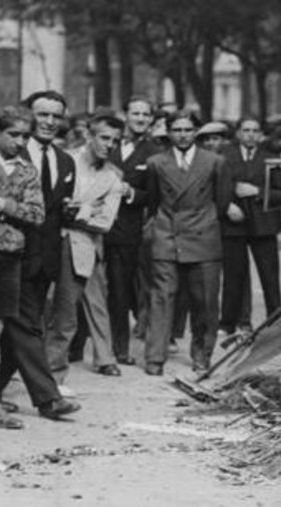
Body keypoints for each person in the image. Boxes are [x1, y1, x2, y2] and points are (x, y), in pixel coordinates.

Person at [0, 90, 81, 416]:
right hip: (9, 253)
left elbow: (55, 213)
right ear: (28, 115)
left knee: (12, 330)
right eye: (43, 114)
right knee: (27, 324)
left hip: (44, 259)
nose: (49, 122)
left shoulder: (65, 160)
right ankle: (48, 398)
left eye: (56, 116)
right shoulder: (10, 153)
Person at [143, 110, 231, 376]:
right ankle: (155, 357)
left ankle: (202, 354)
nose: (182, 135)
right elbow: (153, 201)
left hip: (203, 237)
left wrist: (204, 222)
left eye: (188, 130)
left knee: (204, 301)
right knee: (161, 298)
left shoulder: (215, 162)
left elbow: (223, 202)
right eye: (177, 130)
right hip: (166, 235)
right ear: (168, 133)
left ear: (197, 132)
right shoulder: (156, 163)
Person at [0, 106, 45, 429]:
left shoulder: (27, 170)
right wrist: (6, 212)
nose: (19, 142)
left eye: (25, 136)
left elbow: (37, 215)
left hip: (9, 258)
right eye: (13, 134)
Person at [44, 114, 124, 384]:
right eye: (104, 137)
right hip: (46, 241)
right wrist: (89, 208)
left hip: (81, 247)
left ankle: (54, 379)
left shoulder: (113, 177)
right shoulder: (64, 159)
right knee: (36, 310)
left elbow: (105, 223)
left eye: (115, 141)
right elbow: (50, 202)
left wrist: (79, 211)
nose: (109, 145)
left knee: (67, 316)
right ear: (89, 136)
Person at [104, 97, 163, 366]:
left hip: (127, 229)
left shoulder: (155, 153)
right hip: (93, 224)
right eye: (135, 113)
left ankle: (120, 348)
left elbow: (154, 196)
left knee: (121, 288)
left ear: (151, 120)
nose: (140, 118)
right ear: (125, 114)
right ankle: (76, 346)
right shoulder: (109, 142)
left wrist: (131, 193)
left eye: (145, 114)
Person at [220, 116, 281, 335]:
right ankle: (229, 322)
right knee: (233, 275)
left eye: (255, 130)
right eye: (246, 130)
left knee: (269, 275)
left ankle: (275, 321)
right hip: (233, 223)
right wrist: (227, 205)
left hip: (263, 226)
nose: (250, 134)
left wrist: (257, 191)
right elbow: (217, 188)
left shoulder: (271, 159)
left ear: (261, 135)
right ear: (238, 133)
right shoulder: (224, 158)